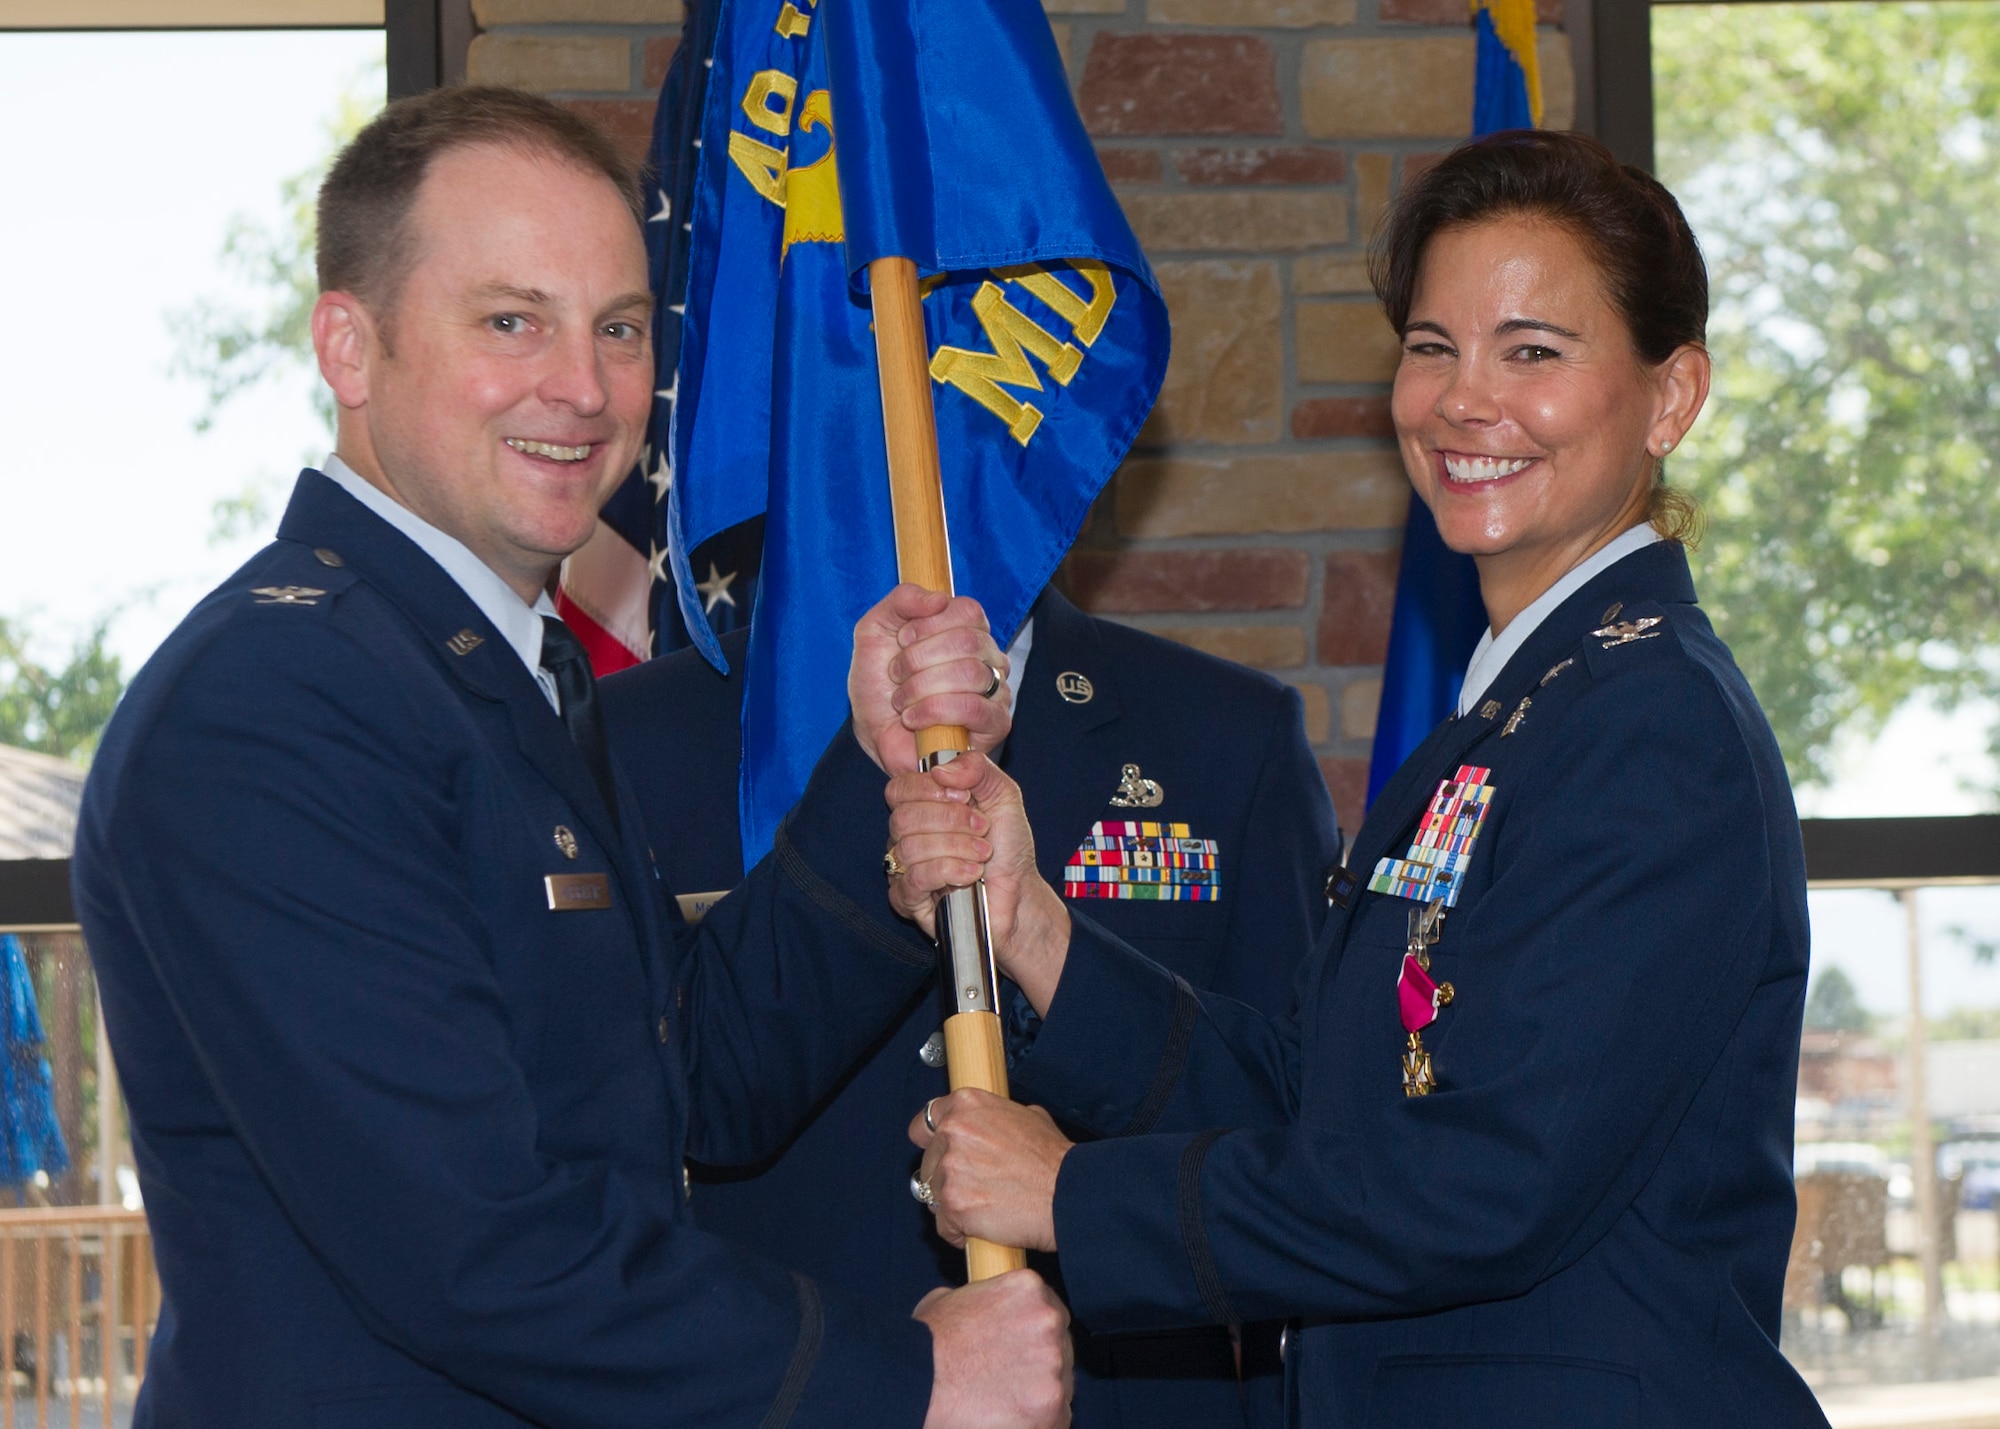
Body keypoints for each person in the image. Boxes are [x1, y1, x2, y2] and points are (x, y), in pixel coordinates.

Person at [70, 87, 1069, 1429]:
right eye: (510, 320)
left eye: (618, 329)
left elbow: (686, 1084)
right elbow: (472, 1248)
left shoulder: (482, 668)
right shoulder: (276, 700)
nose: (585, 389)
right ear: (348, 346)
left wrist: (876, 793)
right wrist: (905, 1378)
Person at [898, 130, 1828, 1426]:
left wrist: (1070, 1195)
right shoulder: (1515, 709)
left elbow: (1487, 1180)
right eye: (1433, 346)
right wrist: (1035, 929)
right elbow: (1332, 1100)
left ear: (1672, 399)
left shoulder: (1650, 723)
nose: (1463, 399)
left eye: (1534, 352)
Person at [601, 580, 1340, 1428]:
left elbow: (1300, 1146)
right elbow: (638, 1124)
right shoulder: (635, 730)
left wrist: (1075, 1182)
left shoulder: (1227, 731)